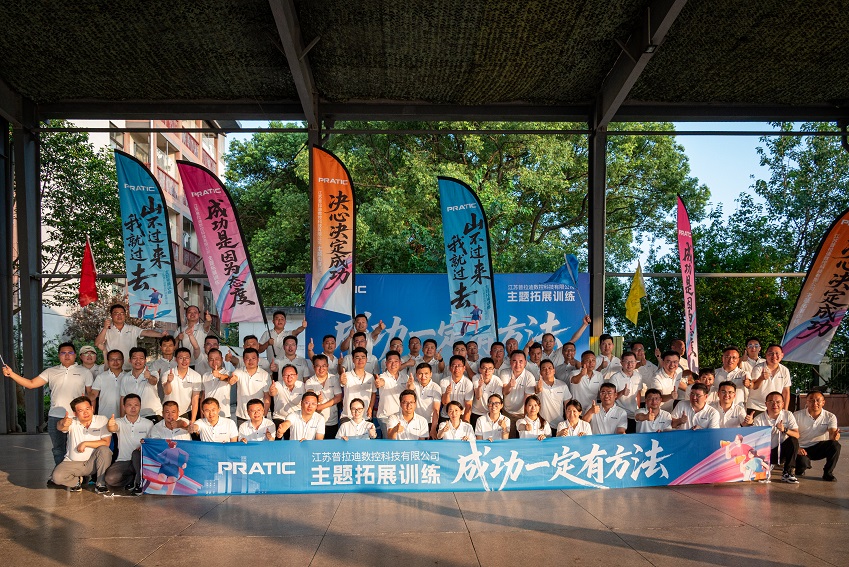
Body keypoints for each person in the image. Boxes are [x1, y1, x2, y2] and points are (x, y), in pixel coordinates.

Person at [3, 341, 92, 465]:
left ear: (75, 355)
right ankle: (60, 473)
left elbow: (91, 395)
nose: (67, 355)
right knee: (58, 450)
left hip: (77, 417)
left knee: (78, 448)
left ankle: (77, 474)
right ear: (59, 355)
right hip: (55, 416)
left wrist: (90, 417)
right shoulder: (51, 371)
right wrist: (12, 374)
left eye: (70, 352)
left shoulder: (85, 372)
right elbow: (31, 384)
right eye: (63, 353)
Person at [48, 396, 111, 492]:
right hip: (73, 463)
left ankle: (101, 484)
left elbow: (106, 442)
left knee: (104, 450)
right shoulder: (72, 421)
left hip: (93, 463)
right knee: (57, 477)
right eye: (81, 410)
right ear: (75, 413)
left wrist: (85, 443)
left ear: (92, 408)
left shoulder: (101, 420)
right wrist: (63, 422)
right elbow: (60, 427)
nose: (85, 413)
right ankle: (76, 482)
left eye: (87, 409)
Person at [104, 393, 152, 494]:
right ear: (124, 407)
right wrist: (110, 425)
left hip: (141, 460)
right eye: (130, 405)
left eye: (136, 405)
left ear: (140, 406)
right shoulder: (119, 422)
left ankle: (139, 483)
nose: (133, 408)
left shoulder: (148, 423)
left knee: (136, 454)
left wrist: (144, 446)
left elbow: (152, 443)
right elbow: (112, 428)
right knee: (110, 479)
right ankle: (132, 479)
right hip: (124, 461)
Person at [95, 303, 166, 370]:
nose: (119, 316)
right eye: (116, 313)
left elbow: (146, 332)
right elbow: (97, 343)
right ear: (111, 315)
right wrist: (105, 328)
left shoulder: (132, 329)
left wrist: (161, 335)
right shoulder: (106, 330)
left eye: (122, 313)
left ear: (125, 315)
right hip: (114, 369)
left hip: (130, 369)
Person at [751, 391, 800, 483]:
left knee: (793, 441)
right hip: (765, 452)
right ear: (766, 404)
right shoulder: (758, 419)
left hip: (782, 451)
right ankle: (766, 465)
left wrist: (784, 430)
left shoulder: (788, 415)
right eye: (771, 402)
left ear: (783, 404)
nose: (775, 405)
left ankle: (788, 473)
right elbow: (755, 442)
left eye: (778, 402)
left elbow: (797, 435)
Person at [794, 390, 841, 481]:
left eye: (818, 400)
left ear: (823, 402)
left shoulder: (830, 416)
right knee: (802, 466)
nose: (815, 403)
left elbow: (832, 433)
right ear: (807, 402)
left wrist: (835, 436)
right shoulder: (796, 415)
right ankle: (800, 467)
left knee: (835, 445)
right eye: (811, 400)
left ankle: (828, 473)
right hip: (801, 448)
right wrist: (797, 448)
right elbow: (790, 435)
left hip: (818, 447)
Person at [304, 354, 343, 440]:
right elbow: (309, 394)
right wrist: (315, 398)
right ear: (313, 367)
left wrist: (322, 406)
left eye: (324, 366)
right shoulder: (309, 382)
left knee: (330, 446)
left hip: (331, 420)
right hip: (315, 421)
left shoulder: (334, 379)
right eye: (318, 366)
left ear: (328, 366)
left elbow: (339, 397)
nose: (321, 369)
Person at [230, 347, 271, 426]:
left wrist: (265, 412)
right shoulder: (239, 371)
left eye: (253, 358)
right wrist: (231, 380)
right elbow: (233, 379)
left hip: (259, 415)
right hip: (242, 414)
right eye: (247, 358)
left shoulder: (265, 375)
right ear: (243, 360)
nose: (250, 361)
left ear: (258, 359)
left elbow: (267, 396)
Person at [119, 347, 162, 421]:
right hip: (134, 417)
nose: (138, 361)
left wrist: (149, 377)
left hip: (153, 414)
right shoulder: (125, 378)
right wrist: (122, 419)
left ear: (145, 360)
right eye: (134, 358)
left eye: (141, 358)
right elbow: (123, 398)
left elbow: (154, 381)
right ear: (130, 360)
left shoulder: (153, 372)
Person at [747, 344, 791, 416]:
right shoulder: (758, 368)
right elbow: (754, 386)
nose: (774, 356)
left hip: (775, 408)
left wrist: (785, 411)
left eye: (777, 353)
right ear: (766, 355)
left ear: (782, 355)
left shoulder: (785, 370)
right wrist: (761, 378)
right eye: (771, 353)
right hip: (756, 406)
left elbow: (786, 392)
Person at [500, 350, 536, 435]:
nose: (517, 364)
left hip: (522, 414)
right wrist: (510, 385)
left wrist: (526, 419)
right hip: (507, 413)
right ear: (510, 362)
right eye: (514, 361)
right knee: (508, 437)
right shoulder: (504, 373)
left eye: (520, 361)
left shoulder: (529, 377)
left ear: (525, 362)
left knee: (522, 437)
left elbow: (527, 400)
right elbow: (504, 392)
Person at [162, 347, 202, 420]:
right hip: (169, 413)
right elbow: (167, 392)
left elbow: (195, 400)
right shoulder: (167, 374)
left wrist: (193, 420)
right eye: (181, 358)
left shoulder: (196, 376)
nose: (184, 361)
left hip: (186, 412)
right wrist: (168, 382)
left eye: (187, 358)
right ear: (175, 359)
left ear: (190, 359)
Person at [608, 351, 643, 432]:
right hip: (619, 414)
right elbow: (610, 398)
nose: (630, 364)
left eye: (632, 362)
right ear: (621, 363)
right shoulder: (615, 378)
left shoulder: (638, 376)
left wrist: (638, 409)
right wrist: (622, 393)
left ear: (636, 362)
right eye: (627, 362)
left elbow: (638, 393)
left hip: (633, 414)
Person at [339, 347, 376, 422]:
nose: (360, 360)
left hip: (365, 417)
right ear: (353, 360)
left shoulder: (370, 377)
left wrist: (370, 408)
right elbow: (342, 382)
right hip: (348, 416)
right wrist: (342, 380)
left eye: (363, 357)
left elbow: (373, 393)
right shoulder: (346, 375)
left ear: (366, 360)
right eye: (357, 357)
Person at [374, 350, 406, 437]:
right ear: (386, 363)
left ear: (400, 363)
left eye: (396, 361)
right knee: (389, 441)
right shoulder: (383, 376)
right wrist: (378, 383)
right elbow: (381, 382)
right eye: (390, 361)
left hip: (401, 416)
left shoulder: (405, 377)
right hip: (386, 416)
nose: (393, 364)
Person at [534, 359, 571, 430]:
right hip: (542, 426)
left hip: (559, 425)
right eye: (544, 369)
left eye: (549, 368)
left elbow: (567, 406)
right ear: (540, 372)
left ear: (554, 371)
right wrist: (538, 389)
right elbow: (534, 396)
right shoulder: (536, 384)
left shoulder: (562, 385)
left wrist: (567, 424)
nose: (547, 371)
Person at [199, 348, 234, 418]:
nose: (214, 362)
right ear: (208, 360)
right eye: (211, 359)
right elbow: (203, 396)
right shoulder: (205, 375)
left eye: (217, 359)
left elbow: (228, 379)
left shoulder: (228, 373)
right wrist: (202, 414)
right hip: (208, 415)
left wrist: (219, 375)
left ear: (222, 359)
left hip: (223, 414)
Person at [470, 357, 504, 428]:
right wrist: (480, 386)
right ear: (480, 369)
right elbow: (478, 396)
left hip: (492, 413)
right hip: (477, 412)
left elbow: (498, 400)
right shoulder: (476, 378)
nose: (487, 371)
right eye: (484, 368)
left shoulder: (497, 381)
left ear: (493, 370)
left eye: (490, 369)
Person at [90, 350, 125, 418]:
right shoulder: (101, 377)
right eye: (112, 360)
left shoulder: (128, 377)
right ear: (108, 362)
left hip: (124, 418)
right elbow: (94, 394)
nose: (115, 362)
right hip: (104, 417)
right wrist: (84, 399)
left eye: (118, 359)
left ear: (123, 361)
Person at [440, 355, 474, 423]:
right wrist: (447, 393)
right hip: (446, 415)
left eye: (459, 366)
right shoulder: (444, 381)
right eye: (454, 365)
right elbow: (444, 403)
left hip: (461, 415)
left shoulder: (468, 383)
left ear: (464, 368)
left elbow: (468, 405)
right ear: (450, 368)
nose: (456, 368)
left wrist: (466, 421)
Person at [412, 362, 442, 439]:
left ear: (431, 374)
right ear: (416, 375)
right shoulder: (414, 385)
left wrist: (433, 429)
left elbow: (436, 410)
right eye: (420, 374)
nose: (423, 376)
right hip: (415, 422)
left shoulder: (436, 388)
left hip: (429, 423)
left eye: (426, 373)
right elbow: (409, 388)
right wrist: (409, 384)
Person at [149, 335, 178, 401]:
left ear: (174, 347)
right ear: (160, 347)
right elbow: (151, 382)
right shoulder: (155, 364)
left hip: (177, 399)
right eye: (165, 345)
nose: (168, 348)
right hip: (161, 399)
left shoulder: (179, 362)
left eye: (170, 345)